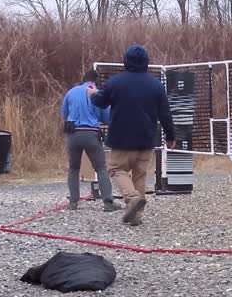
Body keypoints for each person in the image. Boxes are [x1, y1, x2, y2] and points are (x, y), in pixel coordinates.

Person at [88, 44, 176, 226]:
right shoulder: (156, 84)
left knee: (116, 169)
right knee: (140, 175)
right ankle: (136, 215)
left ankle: (132, 198)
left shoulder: (115, 82)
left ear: (125, 61)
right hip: (146, 139)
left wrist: (92, 93)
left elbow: (101, 102)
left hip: (121, 138)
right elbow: (165, 114)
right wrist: (170, 136)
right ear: (146, 62)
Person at [61, 69, 122, 212]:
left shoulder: (71, 92)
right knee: (100, 168)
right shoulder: (97, 93)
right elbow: (106, 118)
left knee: (74, 168)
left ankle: (73, 202)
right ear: (96, 80)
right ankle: (108, 202)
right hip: (91, 134)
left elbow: (64, 114)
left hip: (73, 134)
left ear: (83, 79)